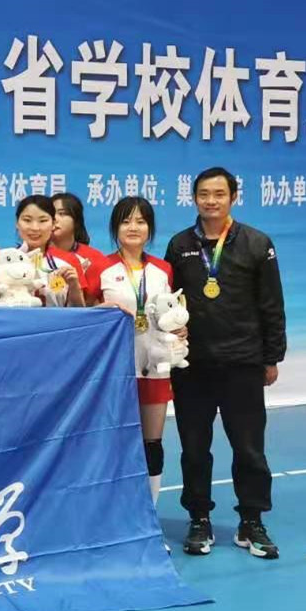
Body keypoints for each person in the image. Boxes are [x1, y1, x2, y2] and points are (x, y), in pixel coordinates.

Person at [165, 167, 286, 559]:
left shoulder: (257, 243)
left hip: (243, 363)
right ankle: (199, 518)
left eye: (219, 193)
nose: (211, 201)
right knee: (194, 448)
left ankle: (252, 520)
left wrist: (271, 357)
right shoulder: (180, 244)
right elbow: (168, 304)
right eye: (204, 194)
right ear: (194, 198)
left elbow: (272, 304)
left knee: (249, 449)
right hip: (192, 366)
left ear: (233, 196)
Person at [96, 197, 185, 519]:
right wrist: (99, 308)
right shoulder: (101, 268)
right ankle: (113, 515)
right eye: (125, 221)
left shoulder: (163, 270)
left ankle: (147, 515)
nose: (133, 227)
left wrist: (180, 328)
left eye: (141, 221)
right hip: (114, 371)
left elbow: (173, 312)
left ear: (150, 228)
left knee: (151, 443)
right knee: (114, 443)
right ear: (115, 228)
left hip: (154, 369)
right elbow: (84, 313)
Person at [14, 195, 86, 307]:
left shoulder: (68, 261)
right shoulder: (5, 259)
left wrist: (74, 286)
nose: (35, 228)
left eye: (43, 221)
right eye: (27, 220)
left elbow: (79, 311)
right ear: (17, 223)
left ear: (53, 224)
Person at [50, 192, 108, 303]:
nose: (55, 219)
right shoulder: (38, 255)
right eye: (51, 214)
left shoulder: (96, 258)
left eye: (62, 214)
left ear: (76, 220)